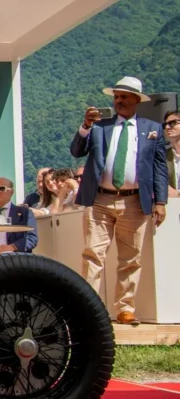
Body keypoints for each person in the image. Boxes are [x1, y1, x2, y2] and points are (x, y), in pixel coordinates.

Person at [70, 76, 169, 326]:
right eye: (116, 97)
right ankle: (88, 307)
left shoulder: (152, 129)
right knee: (93, 254)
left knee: (130, 258)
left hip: (134, 201)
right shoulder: (100, 126)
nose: (119, 101)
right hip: (100, 199)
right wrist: (85, 126)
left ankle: (125, 309)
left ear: (137, 100)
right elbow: (76, 151)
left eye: (124, 97)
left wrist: (161, 201)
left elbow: (159, 168)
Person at [165, 109, 179, 198]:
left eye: (172, 123)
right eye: (164, 125)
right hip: (172, 208)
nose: (167, 127)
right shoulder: (163, 156)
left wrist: (178, 194)